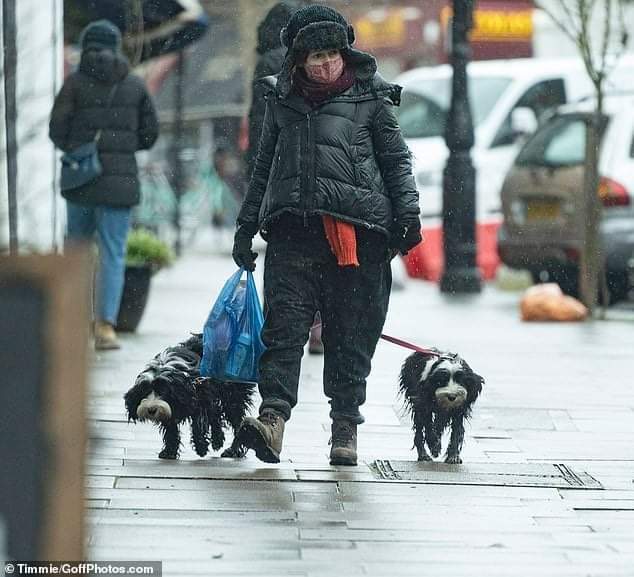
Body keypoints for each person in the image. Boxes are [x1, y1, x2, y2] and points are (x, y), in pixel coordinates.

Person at [232, 5, 421, 466]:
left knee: (350, 335)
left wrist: (408, 215)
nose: (325, 64)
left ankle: (344, 429)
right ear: (297, 60)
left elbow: (396, 160)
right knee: (283, 331)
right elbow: (263, 166)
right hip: (294, 233)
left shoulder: (371, 96)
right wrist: (246, 225)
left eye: (333, 53)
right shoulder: (281, 99)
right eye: (315, 56)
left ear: (345, 51)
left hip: (358, 238)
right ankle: (272, 419)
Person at [50, 20, 159, 350]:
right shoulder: (134, 85)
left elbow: (57, 130)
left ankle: (72, 321)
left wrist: (81, 150)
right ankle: (106, 327)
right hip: (120, 184)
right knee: (114, 254)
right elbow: (150, 133)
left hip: (80, 181)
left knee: (77, 252)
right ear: (115, 47)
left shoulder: (74, 84)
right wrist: (123, 150)